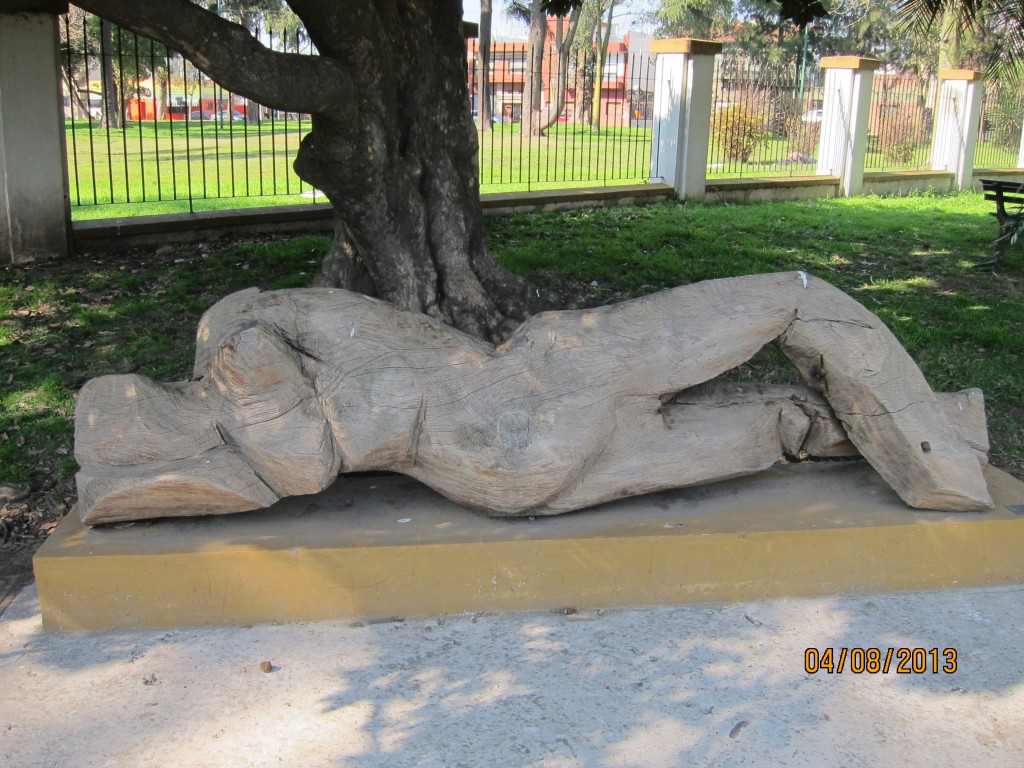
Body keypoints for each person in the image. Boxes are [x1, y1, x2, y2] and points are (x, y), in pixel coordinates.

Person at [74, 272, 992, 525]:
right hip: (541, 389)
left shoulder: (237, 356)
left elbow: (306, 461)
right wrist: (258, 396)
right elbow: (309, 466)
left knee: (775, 429)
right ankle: (942, 464)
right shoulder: (247, 363)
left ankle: (949, 430)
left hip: (509, 472)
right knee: (795, 299)